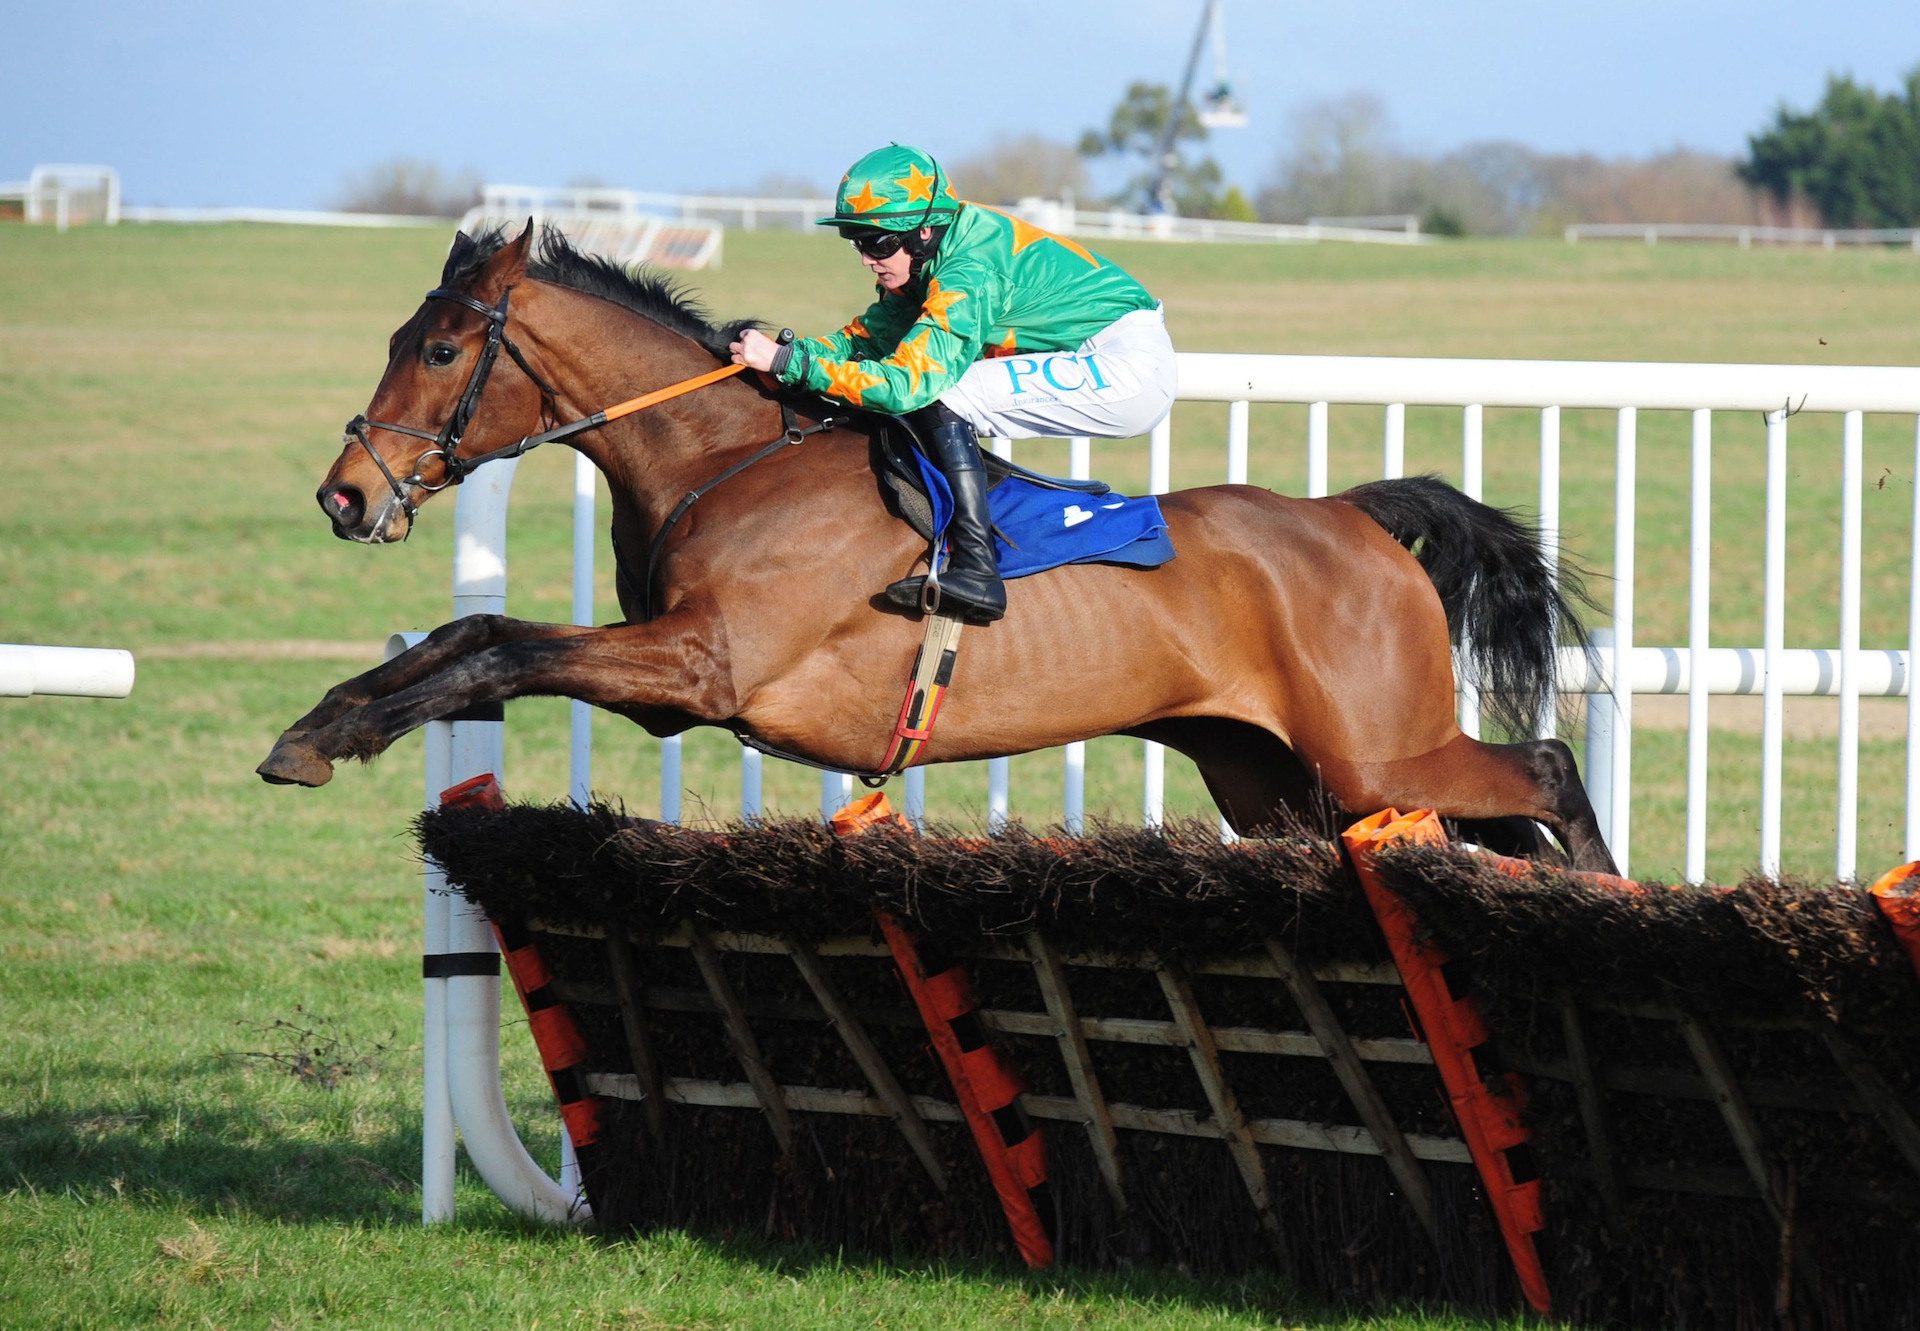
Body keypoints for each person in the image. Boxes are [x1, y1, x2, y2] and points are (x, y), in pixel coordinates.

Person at [730, 143, 1177, 624]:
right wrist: (793, 356)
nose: (866, 258)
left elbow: (907, 384)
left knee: (944, 393)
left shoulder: (969, 270)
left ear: (924, 230)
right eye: (857, 241)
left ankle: (977, 568)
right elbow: (867, 342)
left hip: (1123, 367)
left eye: (878, 242)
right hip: (1094, 354)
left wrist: (791, 365)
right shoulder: (930, 256)